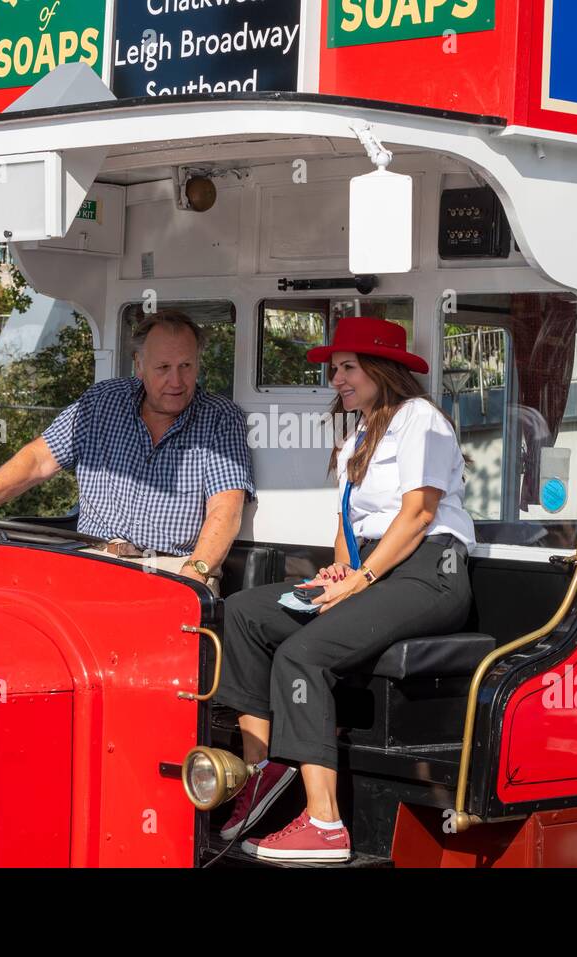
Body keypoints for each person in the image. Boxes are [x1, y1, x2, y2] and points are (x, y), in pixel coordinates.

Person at [212, 316, 474, 862]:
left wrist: (363, 578)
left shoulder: (420, 420)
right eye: (334, 369)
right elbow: (347, 523)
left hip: (429, 573)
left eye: (347, 367)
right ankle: (263, 770)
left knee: (301, 655)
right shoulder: (358, 431)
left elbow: (419, 513)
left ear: (383, 369)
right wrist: (338, 572)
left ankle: (326, 826)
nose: (337, 379)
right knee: (241, 612)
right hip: (375, 569)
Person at [0, 309, 254, 593]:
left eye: (186, 366)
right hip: (96, 560)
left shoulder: (220, 418)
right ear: (138, 365)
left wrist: (194, 574)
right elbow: (38, 460)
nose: (177, 381)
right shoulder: (101, 402)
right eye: (163, 368)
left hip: (174, 566)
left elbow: (225, 512)